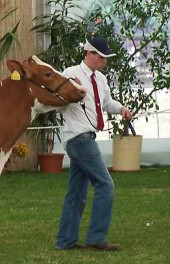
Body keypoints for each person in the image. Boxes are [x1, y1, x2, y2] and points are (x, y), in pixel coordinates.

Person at [55, 37, 132, 251]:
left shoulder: (101, 79)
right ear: (89, 53)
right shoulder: (70, 74)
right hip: (79, 138)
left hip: (85, 138)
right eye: (101, 56)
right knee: (105, 185)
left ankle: (65, 241)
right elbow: (58, 103)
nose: (105, 61)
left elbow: (106, 103)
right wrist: (72, 99)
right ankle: (96, 238)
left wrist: (122, 109)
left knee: (77, 191)